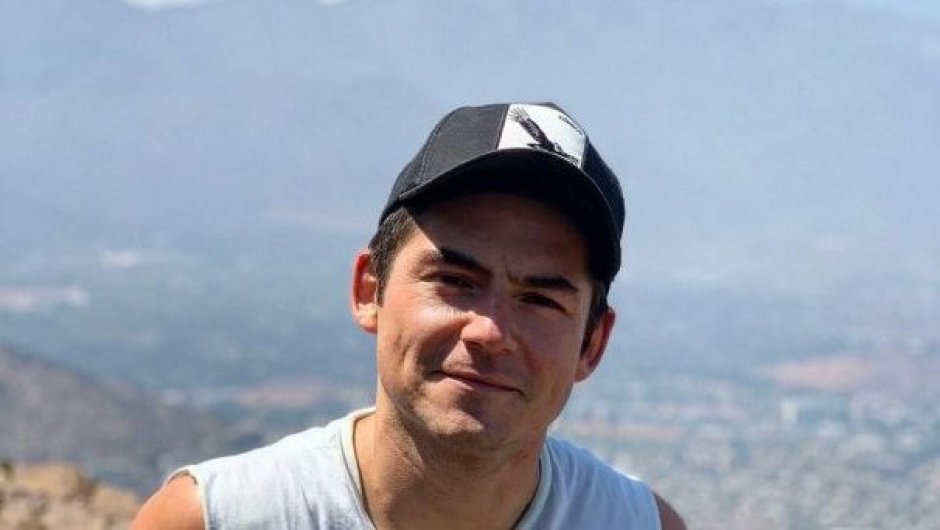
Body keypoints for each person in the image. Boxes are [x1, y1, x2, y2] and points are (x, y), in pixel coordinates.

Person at [132, 102, 686, 529]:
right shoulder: (218, 520)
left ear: (592, 344)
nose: (489, 330)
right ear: (368, 289)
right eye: (456, 281)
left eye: (540, 300)